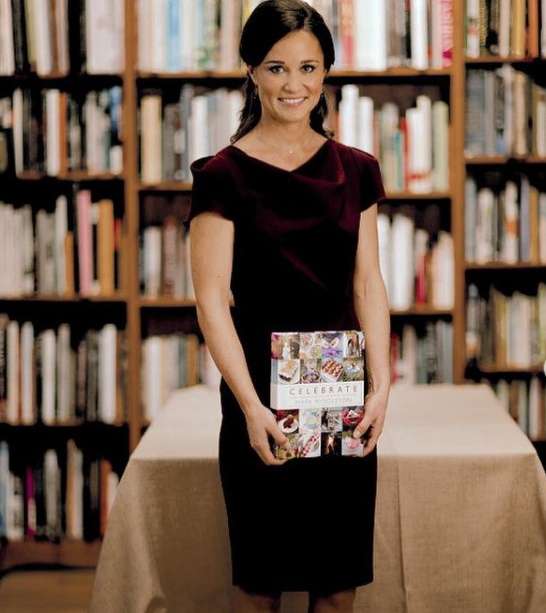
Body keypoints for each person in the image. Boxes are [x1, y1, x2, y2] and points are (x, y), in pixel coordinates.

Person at [185, 2, 390, 612]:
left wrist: (382, 388)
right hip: (260, 396)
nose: (293, 85)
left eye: (308, 67)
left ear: (326, 71)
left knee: (336, 583)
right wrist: (249, 407)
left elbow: (369, 287)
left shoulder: (358, 170)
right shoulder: (221, 175)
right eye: (276, 68)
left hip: (342, 392)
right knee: (260, 583)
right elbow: (211, 302)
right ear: (251, 71)